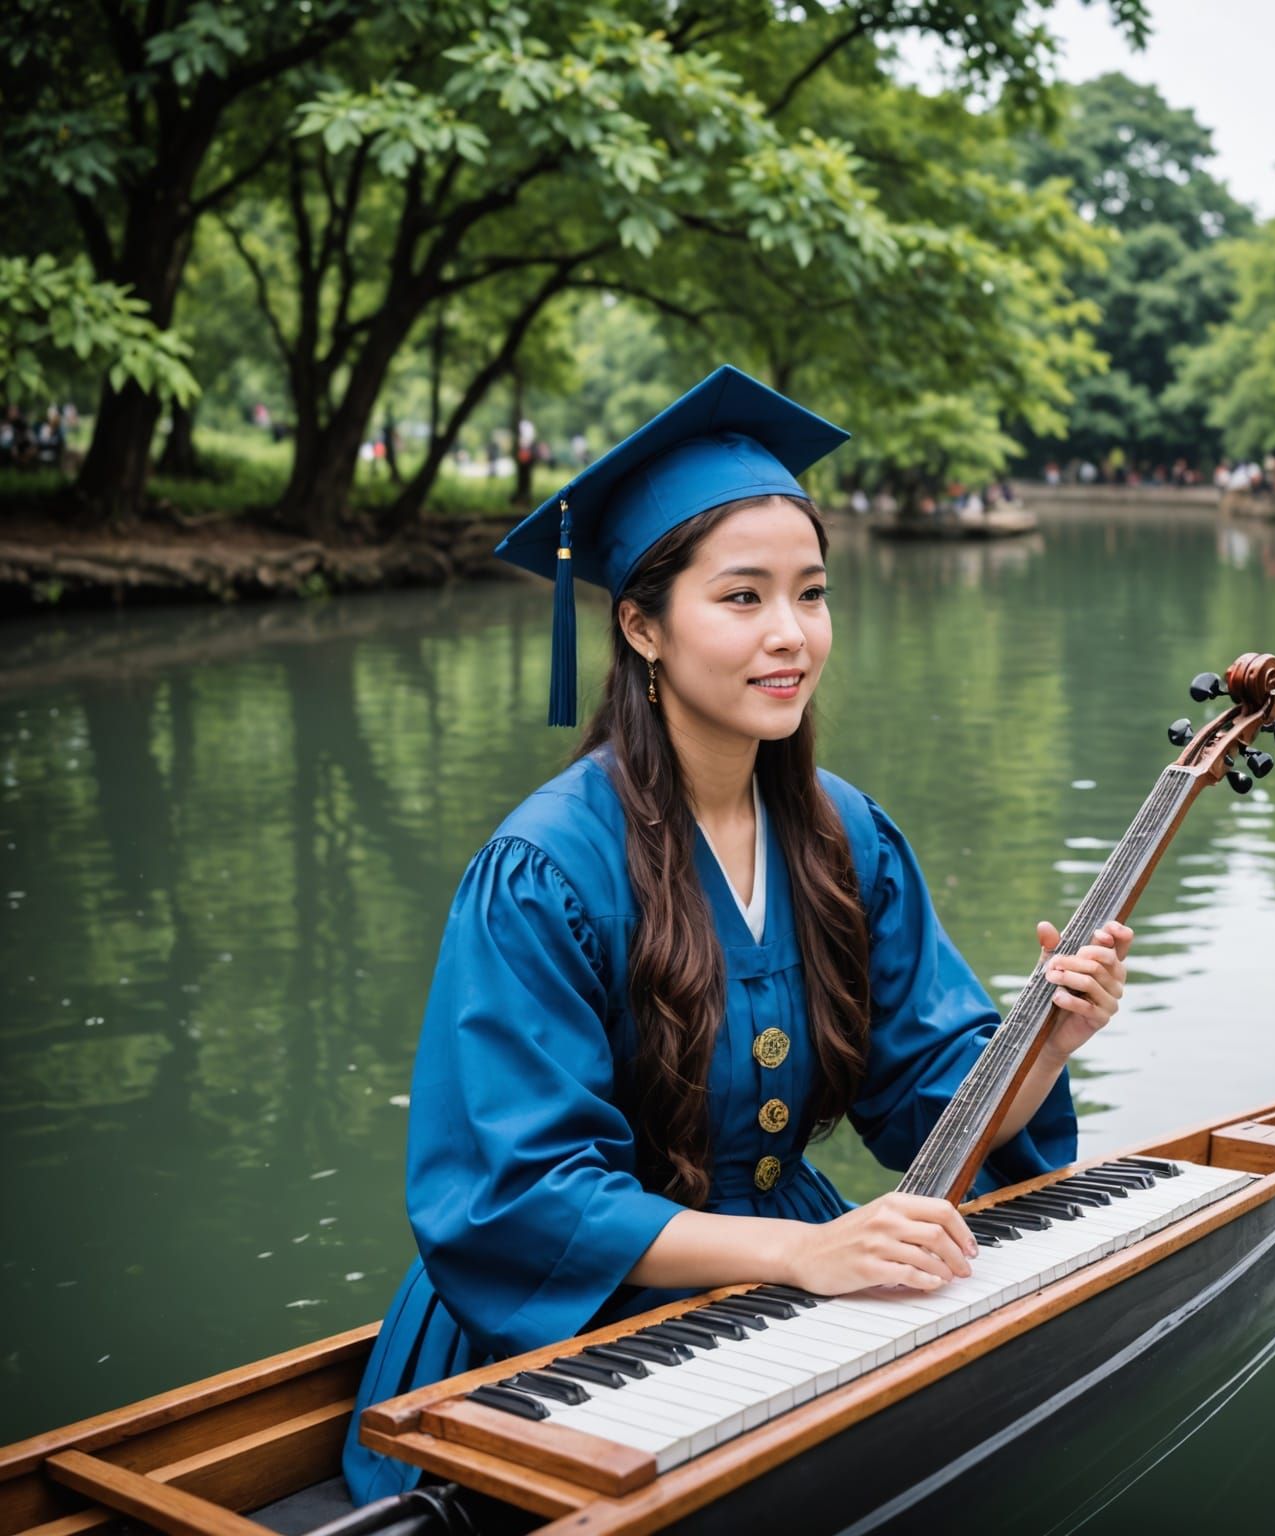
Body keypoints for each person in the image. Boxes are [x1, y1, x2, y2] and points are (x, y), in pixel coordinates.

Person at [339, 365, 1133, 1504]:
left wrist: (1047, 1044)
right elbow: (526, 1197)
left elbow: (935, 1111)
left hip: (790, 1284)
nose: (791, 635)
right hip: (568, 1337)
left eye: (811, 594)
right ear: (641, 626)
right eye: (743, 598)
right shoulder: (546, 873)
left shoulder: (846, 840)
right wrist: (803, 1253)